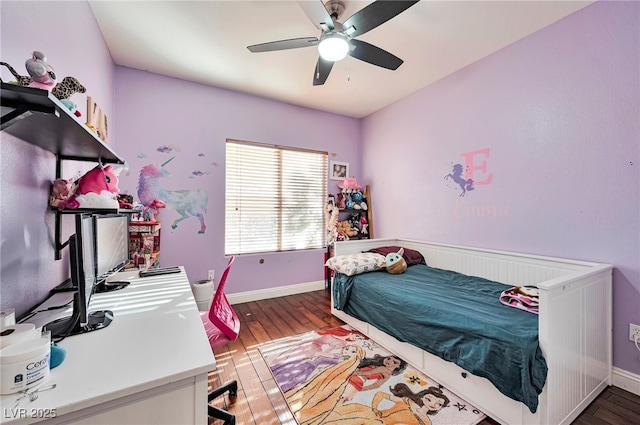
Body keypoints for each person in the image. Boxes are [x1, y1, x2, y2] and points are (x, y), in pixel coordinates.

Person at [285, 344, 365, 425]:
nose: (347, 351)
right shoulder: (340, 357)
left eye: (353, 351)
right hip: (320, 376)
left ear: (357, 354)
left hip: (330, 382)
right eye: (346, 349)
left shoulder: (350, 363)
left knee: (317, 397)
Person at [323, 383, 450, 425]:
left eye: (439, 404)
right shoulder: (407, 401)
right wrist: (374, 408)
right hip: (373, 418)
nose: (433, 404)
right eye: (429, 399)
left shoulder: (426, 422)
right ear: (422, 397)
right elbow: (380, 394)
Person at [341, 354, 408, 402]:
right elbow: (376, 385)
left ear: (398, 367)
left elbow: (368, 372)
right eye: (389, 358)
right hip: (359, 382)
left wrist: (352, 373)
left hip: (355, 377)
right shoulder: (388, 374)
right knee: (345, 397)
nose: (389, 361)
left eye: (394, 362)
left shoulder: (383, 369)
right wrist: (361, 389)